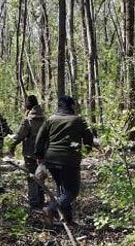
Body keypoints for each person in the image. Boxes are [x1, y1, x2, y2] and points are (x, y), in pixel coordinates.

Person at [34, 95, 96, 224]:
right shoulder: (78, 120)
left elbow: (40, 138)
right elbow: (89, 140)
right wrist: (85, 151)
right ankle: (51, 209)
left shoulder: (50, 119)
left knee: (62, 189)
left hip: (51, 159)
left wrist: (39, 156)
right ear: (72, 106)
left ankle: (67, 219)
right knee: (72, 192)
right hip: (69, 161)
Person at [8, 95, 46, 211]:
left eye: (26, 103)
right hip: (43, 153)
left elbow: (20, 136)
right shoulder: (45, 119)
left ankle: (34, 204)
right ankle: (41, 201)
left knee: (31, 177)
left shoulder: (28, 120)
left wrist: (11, 147)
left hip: (30, 153)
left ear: (29, 105)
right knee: (41, 176)